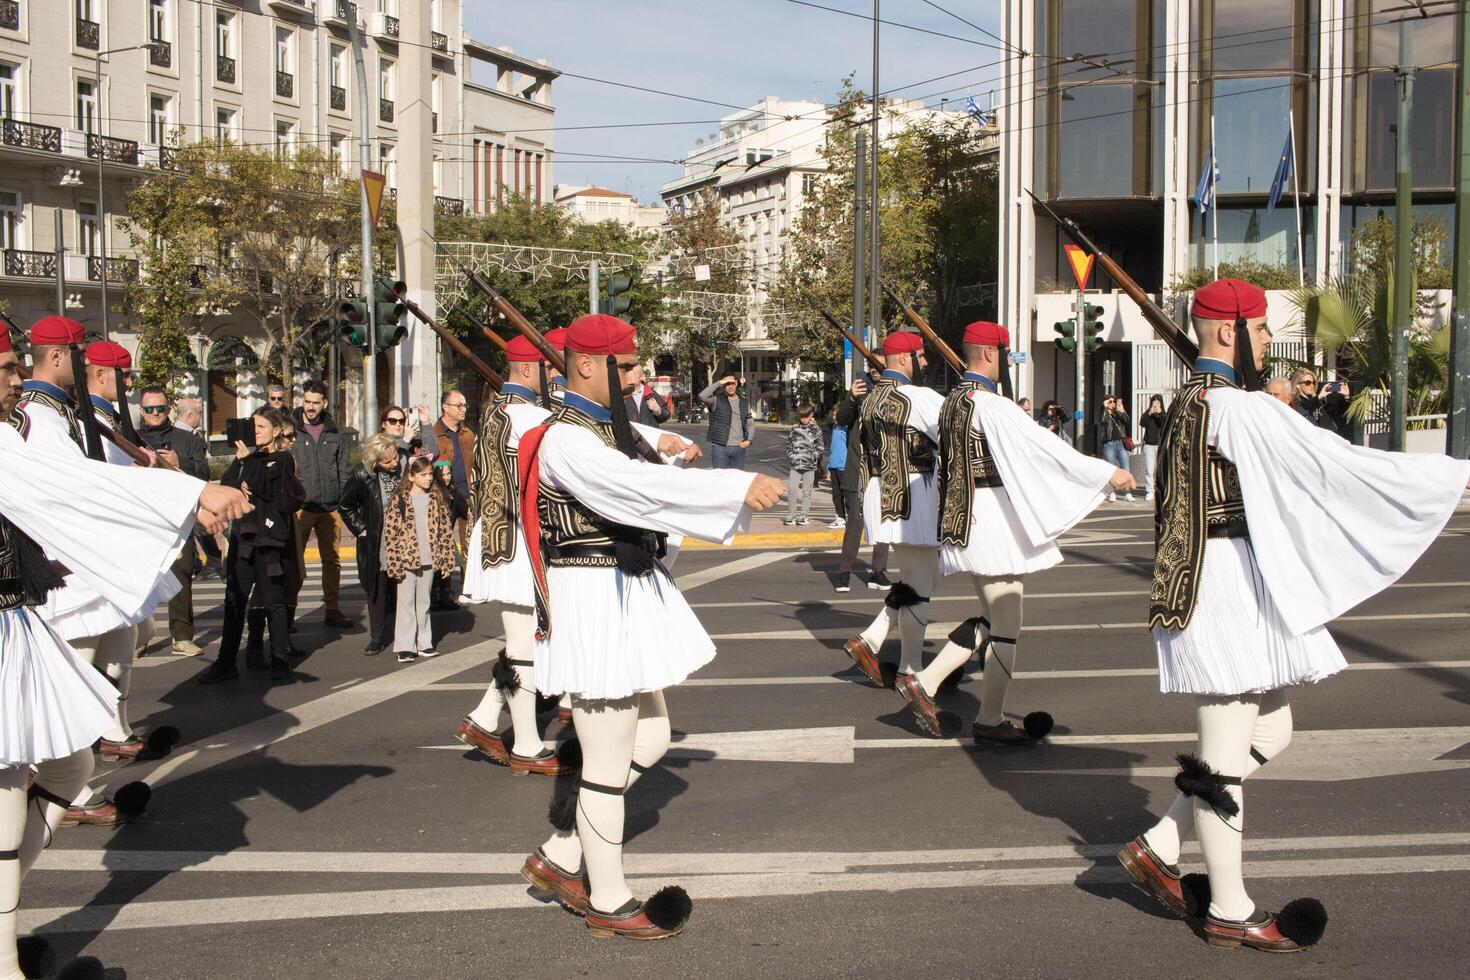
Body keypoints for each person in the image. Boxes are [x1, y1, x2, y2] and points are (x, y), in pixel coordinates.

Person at [1117, 278, 1470, 953]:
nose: (1267, 341)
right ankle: (1230, 909)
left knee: (1271, 731)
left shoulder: (1196, 401)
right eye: (1257, 330)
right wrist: (1455, 476)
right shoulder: (1237, 408)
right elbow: (1338, 464)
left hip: (1217, 584)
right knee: (1221, 757)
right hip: (1222, 593)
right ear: (1225, 332)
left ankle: (1161, 841)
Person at [516, 314, 783, 940]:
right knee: (607, 763)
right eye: (626, 364)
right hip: (593, 606)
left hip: (618, 599)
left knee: (653, 737)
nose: (636, 375)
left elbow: (642, 467)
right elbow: (633, 487)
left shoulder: (596, 430)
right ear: (588, 366)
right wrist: (736, 485)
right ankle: (607, 899)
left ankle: (562, 853)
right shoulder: (566, 439)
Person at [1, 419, 251, 980]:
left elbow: (69, 490)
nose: (14, 379)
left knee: (70, 766)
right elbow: (73, 486)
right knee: (9, 792)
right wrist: (190, 492)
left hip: (14, 622)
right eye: (4, 371)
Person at [892, 321, 1135, 743]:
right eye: (1004, 354)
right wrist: (1106, 472)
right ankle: (982, 714)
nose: (1005, 362)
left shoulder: (951, 402)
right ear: (991, 354)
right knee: (1008, 622)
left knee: (992, 616)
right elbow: (1044, 447)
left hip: (962, 522)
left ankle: (931, 684)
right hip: (991, 524)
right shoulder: (993, 405)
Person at [841, 331, 942, 686]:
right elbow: (957, 429)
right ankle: (910, 669)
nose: (925, 361)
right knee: (920, 587)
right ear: (902, 359)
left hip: (883, 494)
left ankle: (869, 640)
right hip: (914, 496)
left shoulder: (871, 398)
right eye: (920, 354)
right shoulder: (918, 397)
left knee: (920, 577)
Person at [199, 407, 306, 684]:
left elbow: (274, 494)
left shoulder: (282, 459)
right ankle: (226, 663)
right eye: (253, 427)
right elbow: (226, 488)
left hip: (270, 543)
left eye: (261, 427)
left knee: (274, 603)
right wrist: (242, 464)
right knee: (234, 602)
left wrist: (252, 468)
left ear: (276, 431)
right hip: (244, 540)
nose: (256, 432)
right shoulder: (245, 459)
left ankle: (280, 661)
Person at [138, 386, 210, 656]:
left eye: (160, 408)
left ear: (168, 410)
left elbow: (204, 472)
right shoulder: (129, 438)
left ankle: (182, 636)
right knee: (140, 582)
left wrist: (180, 463)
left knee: (180, 578)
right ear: (142, 412)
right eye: (149, 409)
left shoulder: (186, 439)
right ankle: (137, 638)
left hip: (178, 519)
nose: (155, 414)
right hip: (142, 519)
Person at [382, 456, 456, 664]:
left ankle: (424, 642)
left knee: (424, 602)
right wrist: (394, 562)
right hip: (406, 560)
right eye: (423, 475)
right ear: (411, 476)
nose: (428, 478)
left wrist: (446, 560)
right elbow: (391, 534)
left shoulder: (436, 499)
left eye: (430, 474)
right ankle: (405, 646)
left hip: (429, 558)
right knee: (405, 602)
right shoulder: (400, 500)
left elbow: (445, 532)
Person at [291, 380, 353, 628]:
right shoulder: (291, 430)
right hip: (300, 508)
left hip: (330, 509)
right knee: (294, 561)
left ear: (324, 404)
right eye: (307, 401)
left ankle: (333, 609)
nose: (311, 407)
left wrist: (343, 500)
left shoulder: (335, 432)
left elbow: (344, 471)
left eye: (316, 402)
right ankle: (288, 611)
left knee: (332, 560)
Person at [340, 434, 403, 656]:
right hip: (377, 539)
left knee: (402, 586)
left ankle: (402, 632)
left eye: (394, 457)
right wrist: (362, 529)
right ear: (374, 461)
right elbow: (346, 505)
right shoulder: (361, 474)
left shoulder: (404, 468)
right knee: (377, 587)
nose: (393, 463)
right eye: (387, 461)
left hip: (403, 537)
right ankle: (377, 637)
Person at [832, 372, 890, 593]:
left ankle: (878, 571)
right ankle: (844, 572)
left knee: (884, 525)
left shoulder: (890, 393)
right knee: (854, 524)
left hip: (883, 471)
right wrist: (851, 398)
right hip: (858, 472)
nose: (875, 371)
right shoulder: (861, 392)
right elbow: (842, 419)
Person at [432, 389, 475, 610]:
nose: (463, 409)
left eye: (465, 405)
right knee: (445, 544)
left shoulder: (467, 433)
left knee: (470, 542)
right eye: (459, 405)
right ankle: (443, 589)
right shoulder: (435, 433)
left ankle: (468, 586)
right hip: (444, 497)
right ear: (445, 407)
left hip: (466, 494)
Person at [699, 373, 753, 470]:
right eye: (727, 384)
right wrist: (719, 382)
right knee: (720, 481)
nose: (730, 386)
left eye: (732, 383)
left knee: (736, 481)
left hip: (739, 448)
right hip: (720, 448)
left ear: (736, 383)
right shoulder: (716, 400)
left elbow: (750, 424)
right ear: (723, 386)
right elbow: (702, 396)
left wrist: (749, 440)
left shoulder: (744, 402)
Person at [782, 401, 823, 526]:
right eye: (801, 417)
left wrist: (812, 458)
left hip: (809, 466)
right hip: (795, 465)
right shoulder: (794, 428)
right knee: (792, 489)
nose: (804, 419)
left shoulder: (816, 430)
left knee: (807, 491)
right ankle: (791, 514)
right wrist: (792, 456)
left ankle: (804, 515)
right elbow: (789, 445)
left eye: (806, 416)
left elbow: (820, 448)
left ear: (811, 415)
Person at [1099, 394, 1134, 501]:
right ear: (1105, 402)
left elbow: (1127, 421)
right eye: (1110, 401)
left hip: (1120, 444)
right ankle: (1112, 492)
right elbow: (1102, 421)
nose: (1112, 403)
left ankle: (1127, 493)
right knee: (1111, 470)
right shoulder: (1103, 413)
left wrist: (1122, 410)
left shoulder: (1117, 413)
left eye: (1113, 401)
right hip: (1109, 444)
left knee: (1125, 468)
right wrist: (1104, 407)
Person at [1140, 394, 1166, 501]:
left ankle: (1161, 491)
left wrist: (1159, 413)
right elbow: (1142, 423)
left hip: (1160, 445)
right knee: (1149, 470)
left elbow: (1164, 423)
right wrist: (1148, 413)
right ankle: (1150, 491)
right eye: (1154, 402)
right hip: (1149, 445)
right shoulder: (1148, 414)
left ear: (1161, 403)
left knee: (1160, 470)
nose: (1156, 404)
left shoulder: (1163, 414)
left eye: (1158, 402)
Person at [826, 405, 848, 529]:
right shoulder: (834, 428)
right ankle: (840, 517)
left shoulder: (847, 429)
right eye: (833, 415)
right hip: (834, 465)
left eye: (836, 415)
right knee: (836, 494)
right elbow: (832, 448)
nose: (834, 417)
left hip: (843, 466)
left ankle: (853, 516)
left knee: (847, 493)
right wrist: (828, 467)